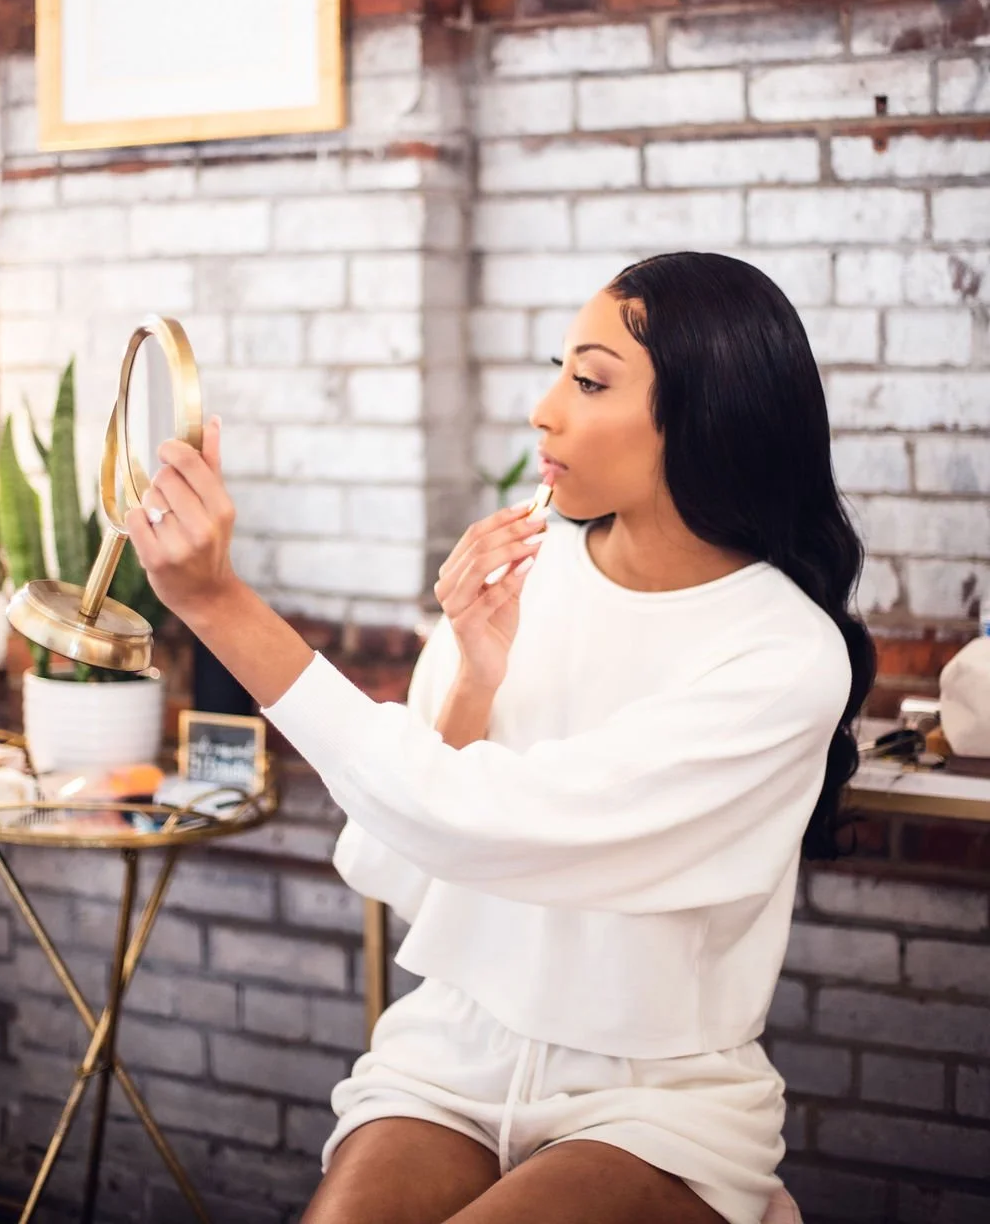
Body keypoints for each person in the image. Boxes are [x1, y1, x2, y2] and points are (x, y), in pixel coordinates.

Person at [126, 252, 875, 1224]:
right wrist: (473, 680)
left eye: (589, 380)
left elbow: (481, 824)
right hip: (452, 1052)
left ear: (704, 415)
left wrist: (220, 606)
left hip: (649, 1100)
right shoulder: (525, 572)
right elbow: (393, 855)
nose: (544, 410)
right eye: (560, 370)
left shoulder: (783, 656)